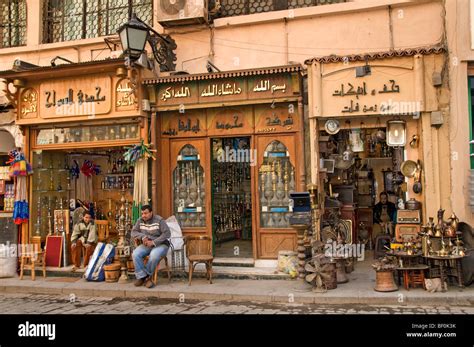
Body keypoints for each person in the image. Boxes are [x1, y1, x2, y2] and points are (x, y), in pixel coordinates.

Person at [131, 205, 170, 288]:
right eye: (142, 213)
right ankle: (142, 276)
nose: (143, 215)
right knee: (135, 254)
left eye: (145, 213)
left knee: (154, 255)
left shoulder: (159, 220)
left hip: (161, 244)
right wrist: (143, 237)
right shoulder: (140, 220)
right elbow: (133, 232)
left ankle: (148, 277)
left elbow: (167, 233)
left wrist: (154, 242)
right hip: (147, 244)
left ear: (151, 212)